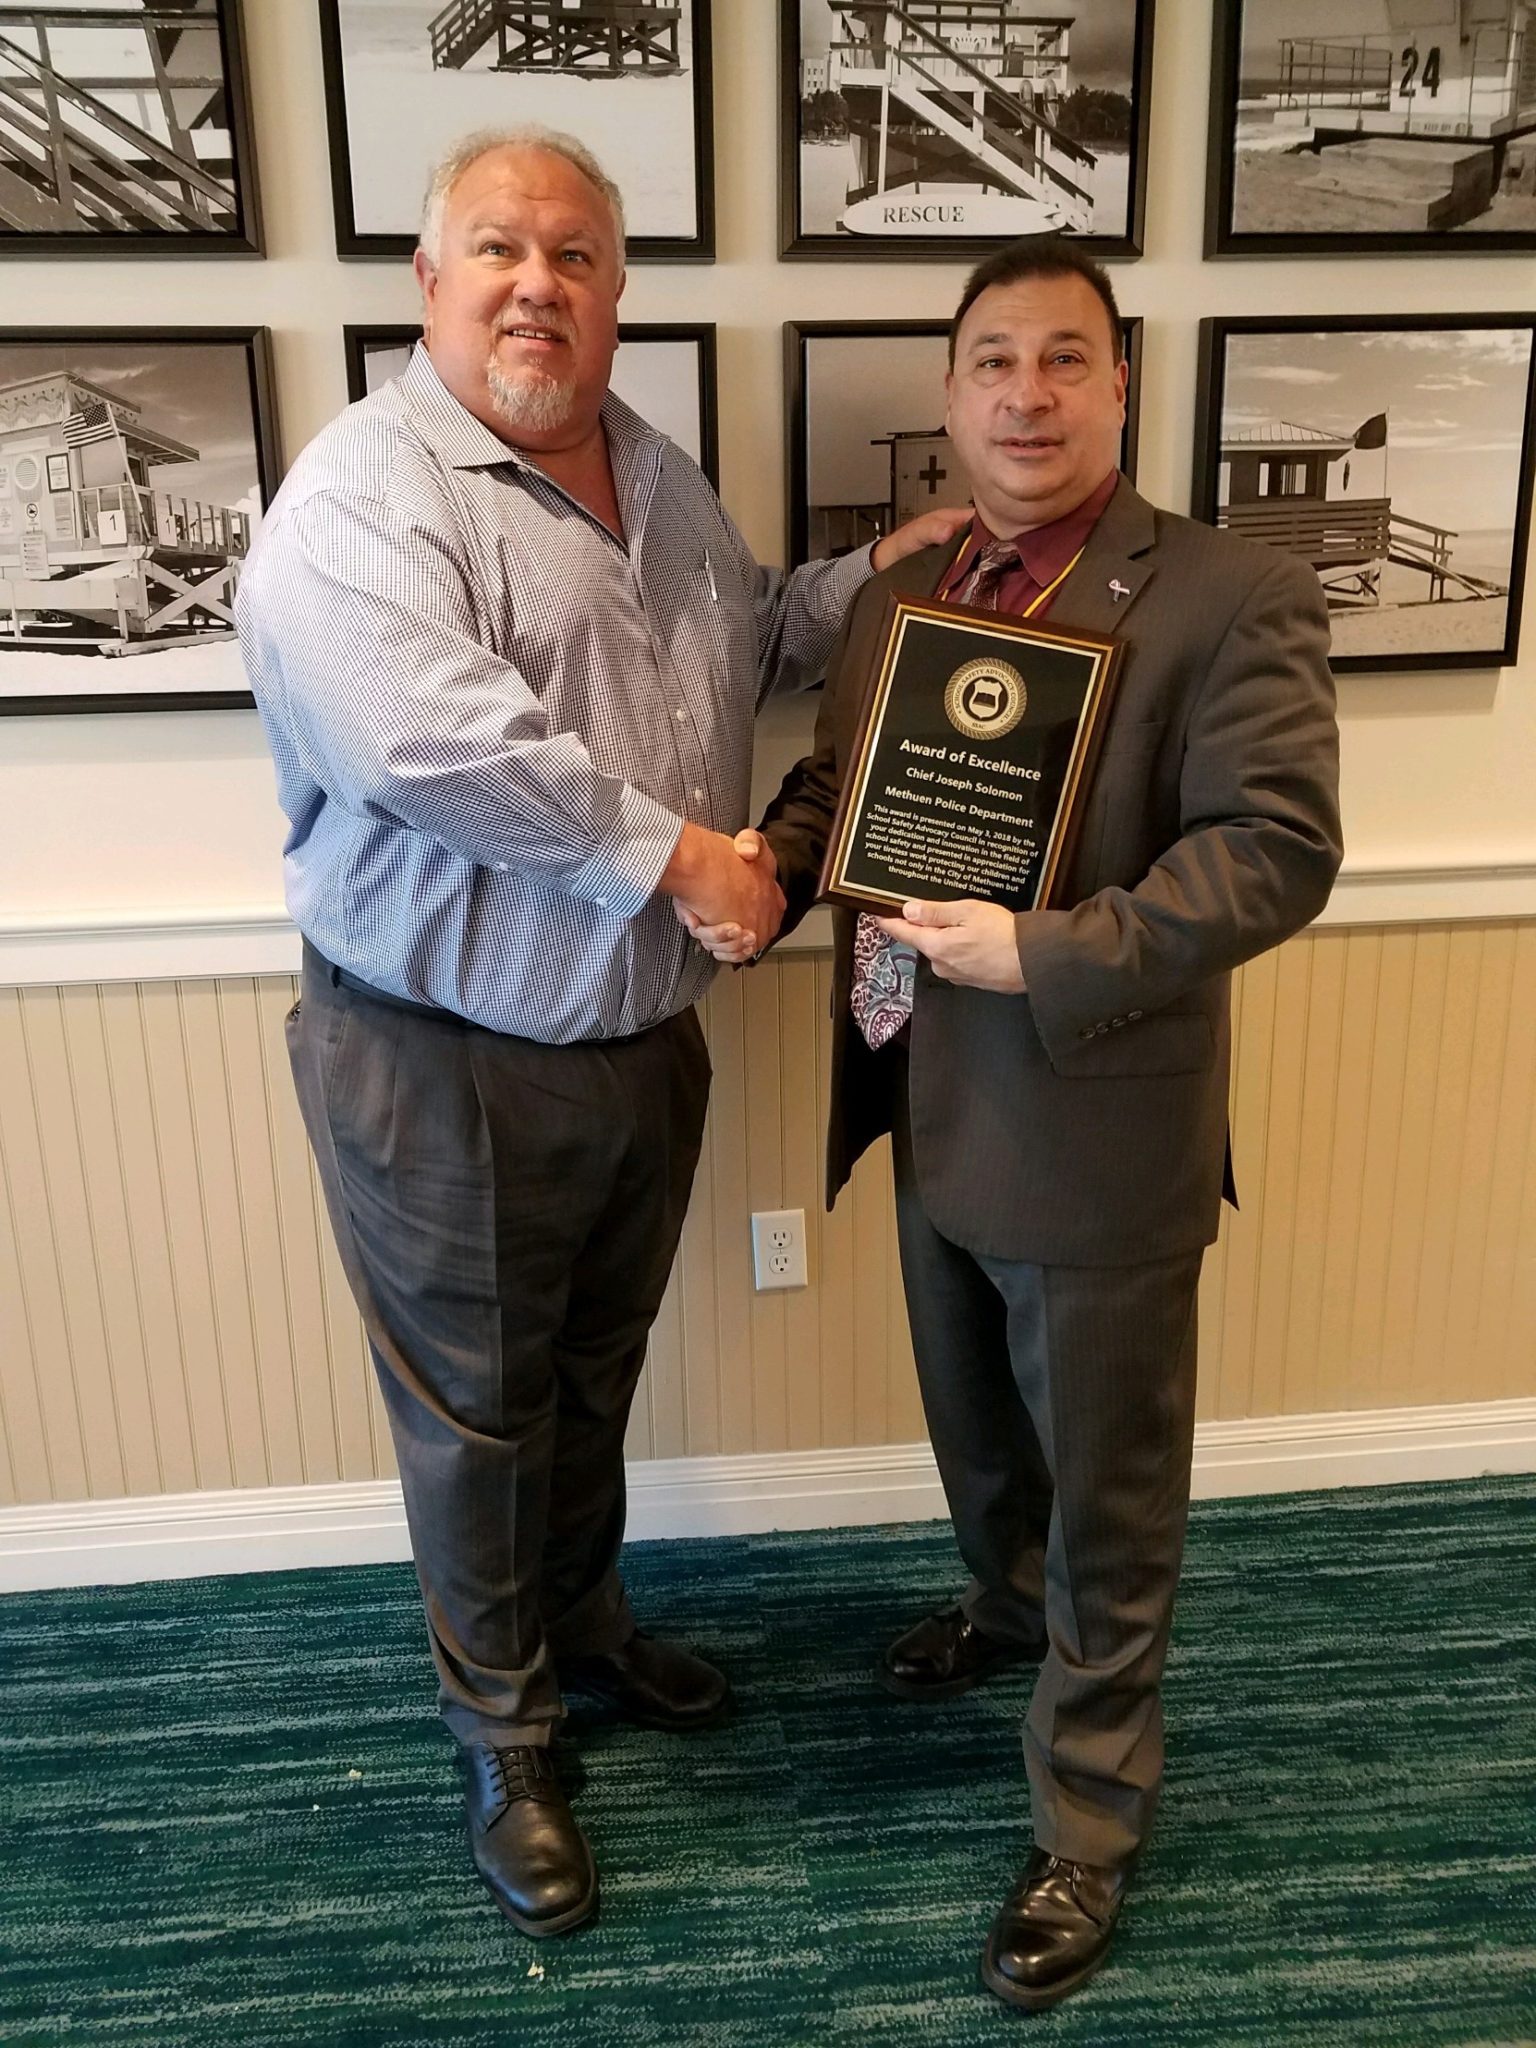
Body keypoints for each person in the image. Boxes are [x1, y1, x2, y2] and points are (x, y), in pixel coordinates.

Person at [234, 124, 963, 1941]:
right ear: (429, 282)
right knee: (478, 1415)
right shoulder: (361, 503)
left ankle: (587, 1627)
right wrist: (688, 863)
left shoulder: (651, 468)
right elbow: (441, 745)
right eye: (498, 249)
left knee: (586, 1374)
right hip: (444, 1057)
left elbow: (742, 646)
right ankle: (506, 1738)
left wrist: (886, 571)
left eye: (573, 256)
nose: (537, 284)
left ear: (617, 293)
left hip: (640, 1045)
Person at [690, 239, 1342, 2010]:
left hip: (1097, 1114)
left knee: (1113, 1495)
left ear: (1119, 384)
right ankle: (999, 1601)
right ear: (953, 392)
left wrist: (1048, 948)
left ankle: (1090, 1818)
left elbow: (1275, 850)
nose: (1028, 395)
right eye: (995, 362)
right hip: (924, 1091)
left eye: (1067, 360)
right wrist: (769, 854)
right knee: (978, 1424)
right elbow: (847, 782)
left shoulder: (1226, 593)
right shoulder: (913, 596)